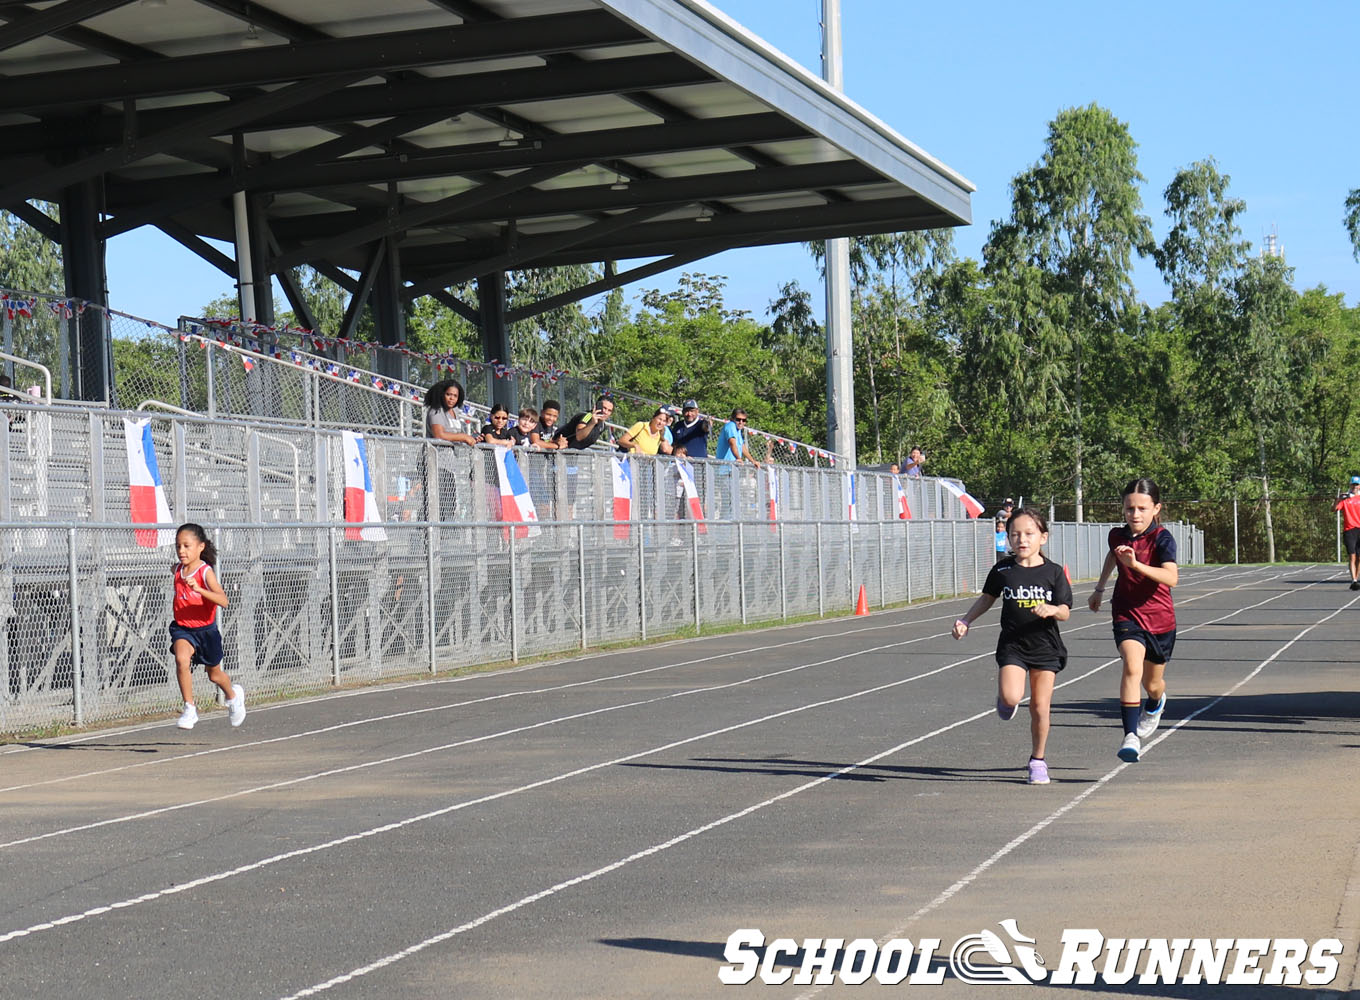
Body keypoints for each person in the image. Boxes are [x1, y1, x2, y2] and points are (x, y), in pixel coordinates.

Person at [952, 508, 1072, 785]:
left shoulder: (1053, 572)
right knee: (1010, 698)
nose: (1022, 540)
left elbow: (1066, 611)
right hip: (1013, 645)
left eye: (1029, 534)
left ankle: (1037, 761)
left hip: (1045, 647)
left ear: (1043, 537)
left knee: (1041, 708)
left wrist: (1052, 609)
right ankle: (1006, 700)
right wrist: (966, 620)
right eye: (1015, 534)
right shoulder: (1003, 570)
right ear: (1007, 538)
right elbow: (986, 599)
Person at [1088, 477, 1179, 763]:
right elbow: (1113, 557)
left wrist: (1137, 564)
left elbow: (1172, 578)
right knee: (1131, 665)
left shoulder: (1163, 538)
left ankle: (1155, 702)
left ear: (1156, 508)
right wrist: (1100, 588)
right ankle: (1130, 736)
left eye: (1142, 508)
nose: (1135, 515)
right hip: (1126, 613)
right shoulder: (1116, 535)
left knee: (1153, 684)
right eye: (1129, 508)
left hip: (1160, 620)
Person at [170, 523, 245, 730]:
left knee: (214, 675)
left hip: (206, 631)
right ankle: (189, 708)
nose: (181, 551)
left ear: (200, 547)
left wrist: (200, 590)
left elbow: (223, 600)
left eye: (186, 546)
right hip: (183, 629)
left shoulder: (205, 572)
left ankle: (233, 696)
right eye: (178, 546)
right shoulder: (177, 569)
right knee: (181, 659)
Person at [424, 379, 478, 446]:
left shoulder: (455, 410)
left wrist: (473, 438)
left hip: (453, 455)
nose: (452, 398)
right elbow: (439, 435)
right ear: (442, 394)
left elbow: (457, 434)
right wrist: (464, 437)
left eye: (455, 396)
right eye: (448, 394)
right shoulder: (436, 410)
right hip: (436, 454)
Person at [1334, 480, 1360, 589]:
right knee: (1352, 556)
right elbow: (1334, 509)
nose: (1355, 486)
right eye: (1353, 484)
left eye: (1357, 484)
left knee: (1359, 557)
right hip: (1349, 530)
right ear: (1350, 485)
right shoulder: (1345, 498)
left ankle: (1357, 578)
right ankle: (1354, 580)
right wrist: (1338, 500)